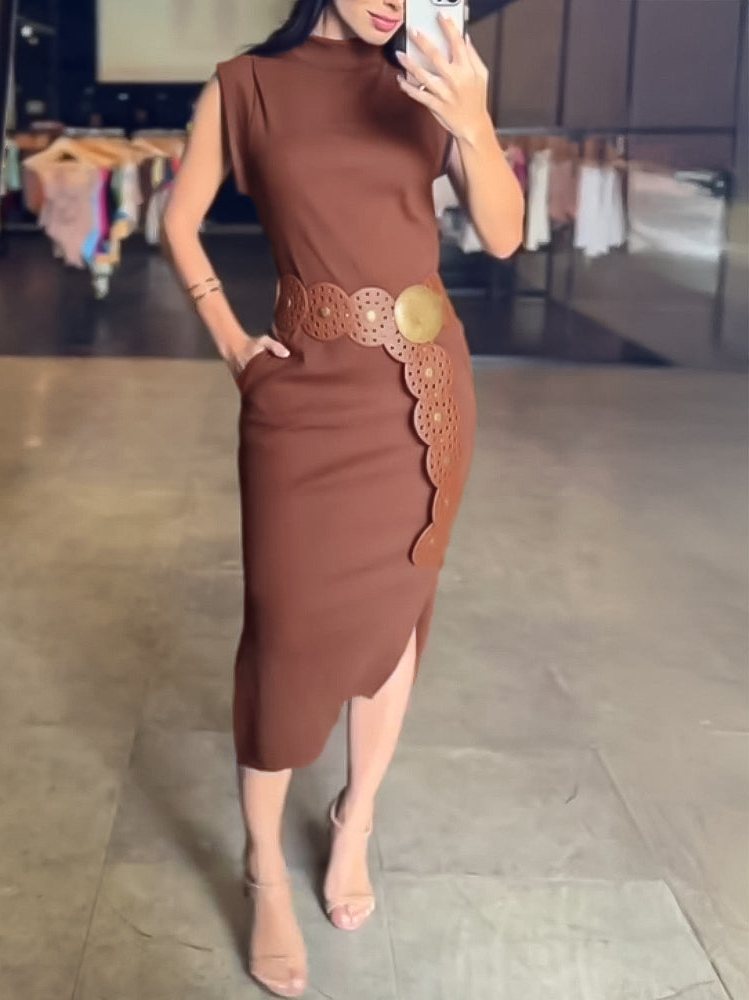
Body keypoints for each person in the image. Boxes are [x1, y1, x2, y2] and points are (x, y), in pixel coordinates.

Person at [162, 1, 523, 996]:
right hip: (302, 397)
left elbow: (502, 237)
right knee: (284, 628)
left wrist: (471, 117)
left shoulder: (433, 74)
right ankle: (262, 867)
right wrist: (233, 345)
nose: (391, 0)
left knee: (396, 614)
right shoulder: (247, 85)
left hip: (424, 390)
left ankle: (355, 818)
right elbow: (177, 222)